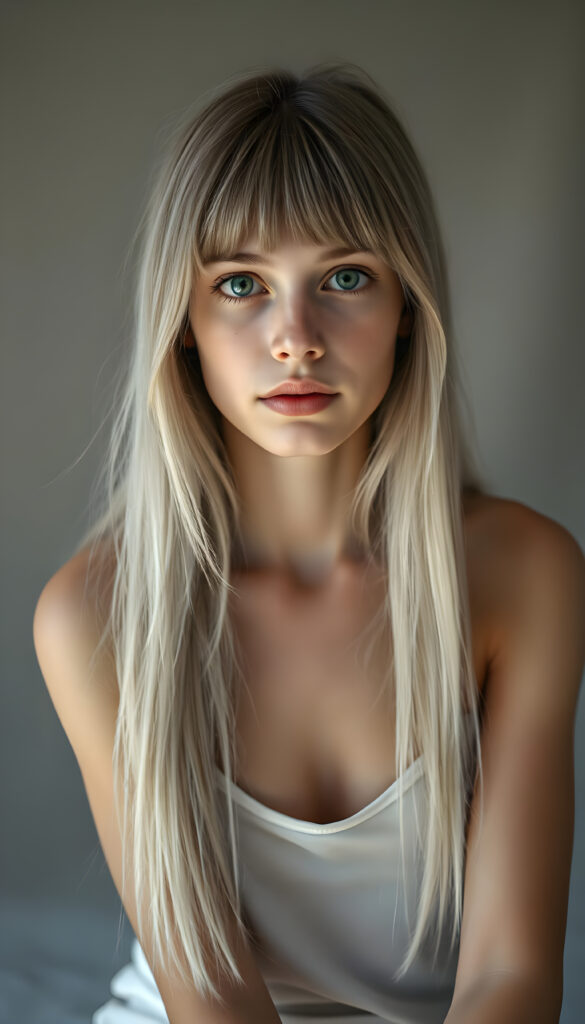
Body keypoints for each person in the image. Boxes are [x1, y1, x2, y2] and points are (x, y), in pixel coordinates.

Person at [32, 63, 585, 1024]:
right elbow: (210, 996)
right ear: (184, 327)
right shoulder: (94, 613)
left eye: (344, 277)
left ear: (408, 308)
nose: (295, 337)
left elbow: (511, 977)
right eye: (240, 283)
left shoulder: (522, 576)